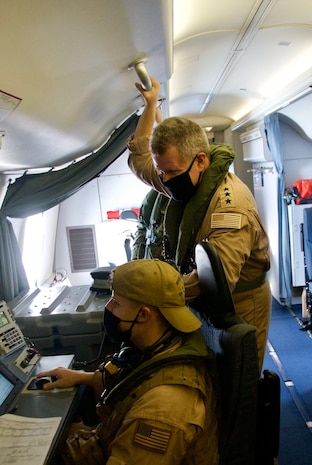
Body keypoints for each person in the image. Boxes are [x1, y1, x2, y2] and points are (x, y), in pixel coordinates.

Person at [127, 76, 271, 371]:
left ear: (201, 161)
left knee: (239, 384)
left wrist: (152, 293)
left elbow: (215, 282)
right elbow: (140, 156)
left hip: (241, 300)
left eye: (171, 172)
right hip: (198, 294)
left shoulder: (231, 208)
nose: (164, 181)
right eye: (161, 172)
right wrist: (150, 103)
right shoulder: (179, 176)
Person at [36, 259, 219, 465]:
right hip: (108, 439)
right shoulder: (163, 344)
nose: (108, 307)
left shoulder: (163, 408)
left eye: (116, 302)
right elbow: (132, 382)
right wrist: (79, 377)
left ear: (143, 315)